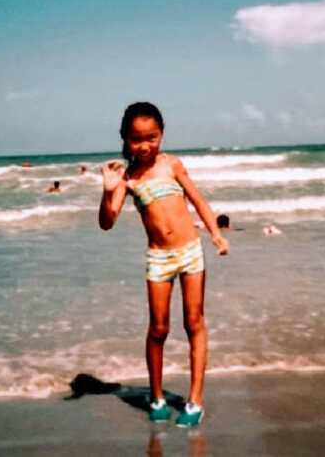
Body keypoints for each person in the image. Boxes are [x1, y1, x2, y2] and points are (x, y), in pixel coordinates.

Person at [99, 102, 229, 427]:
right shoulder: (127, 178)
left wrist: (216, 234)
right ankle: (156, 397)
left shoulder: (172, 164)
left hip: (191, 251)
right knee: (158, 329)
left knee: (194, 323)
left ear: (162, 134)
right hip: (159, 257)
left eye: (151, 137)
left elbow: (197, 199)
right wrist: (107, 190)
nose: (144, 145)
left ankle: (194, 401)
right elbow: (106, 222)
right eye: (136, 139)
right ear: (124, 138)